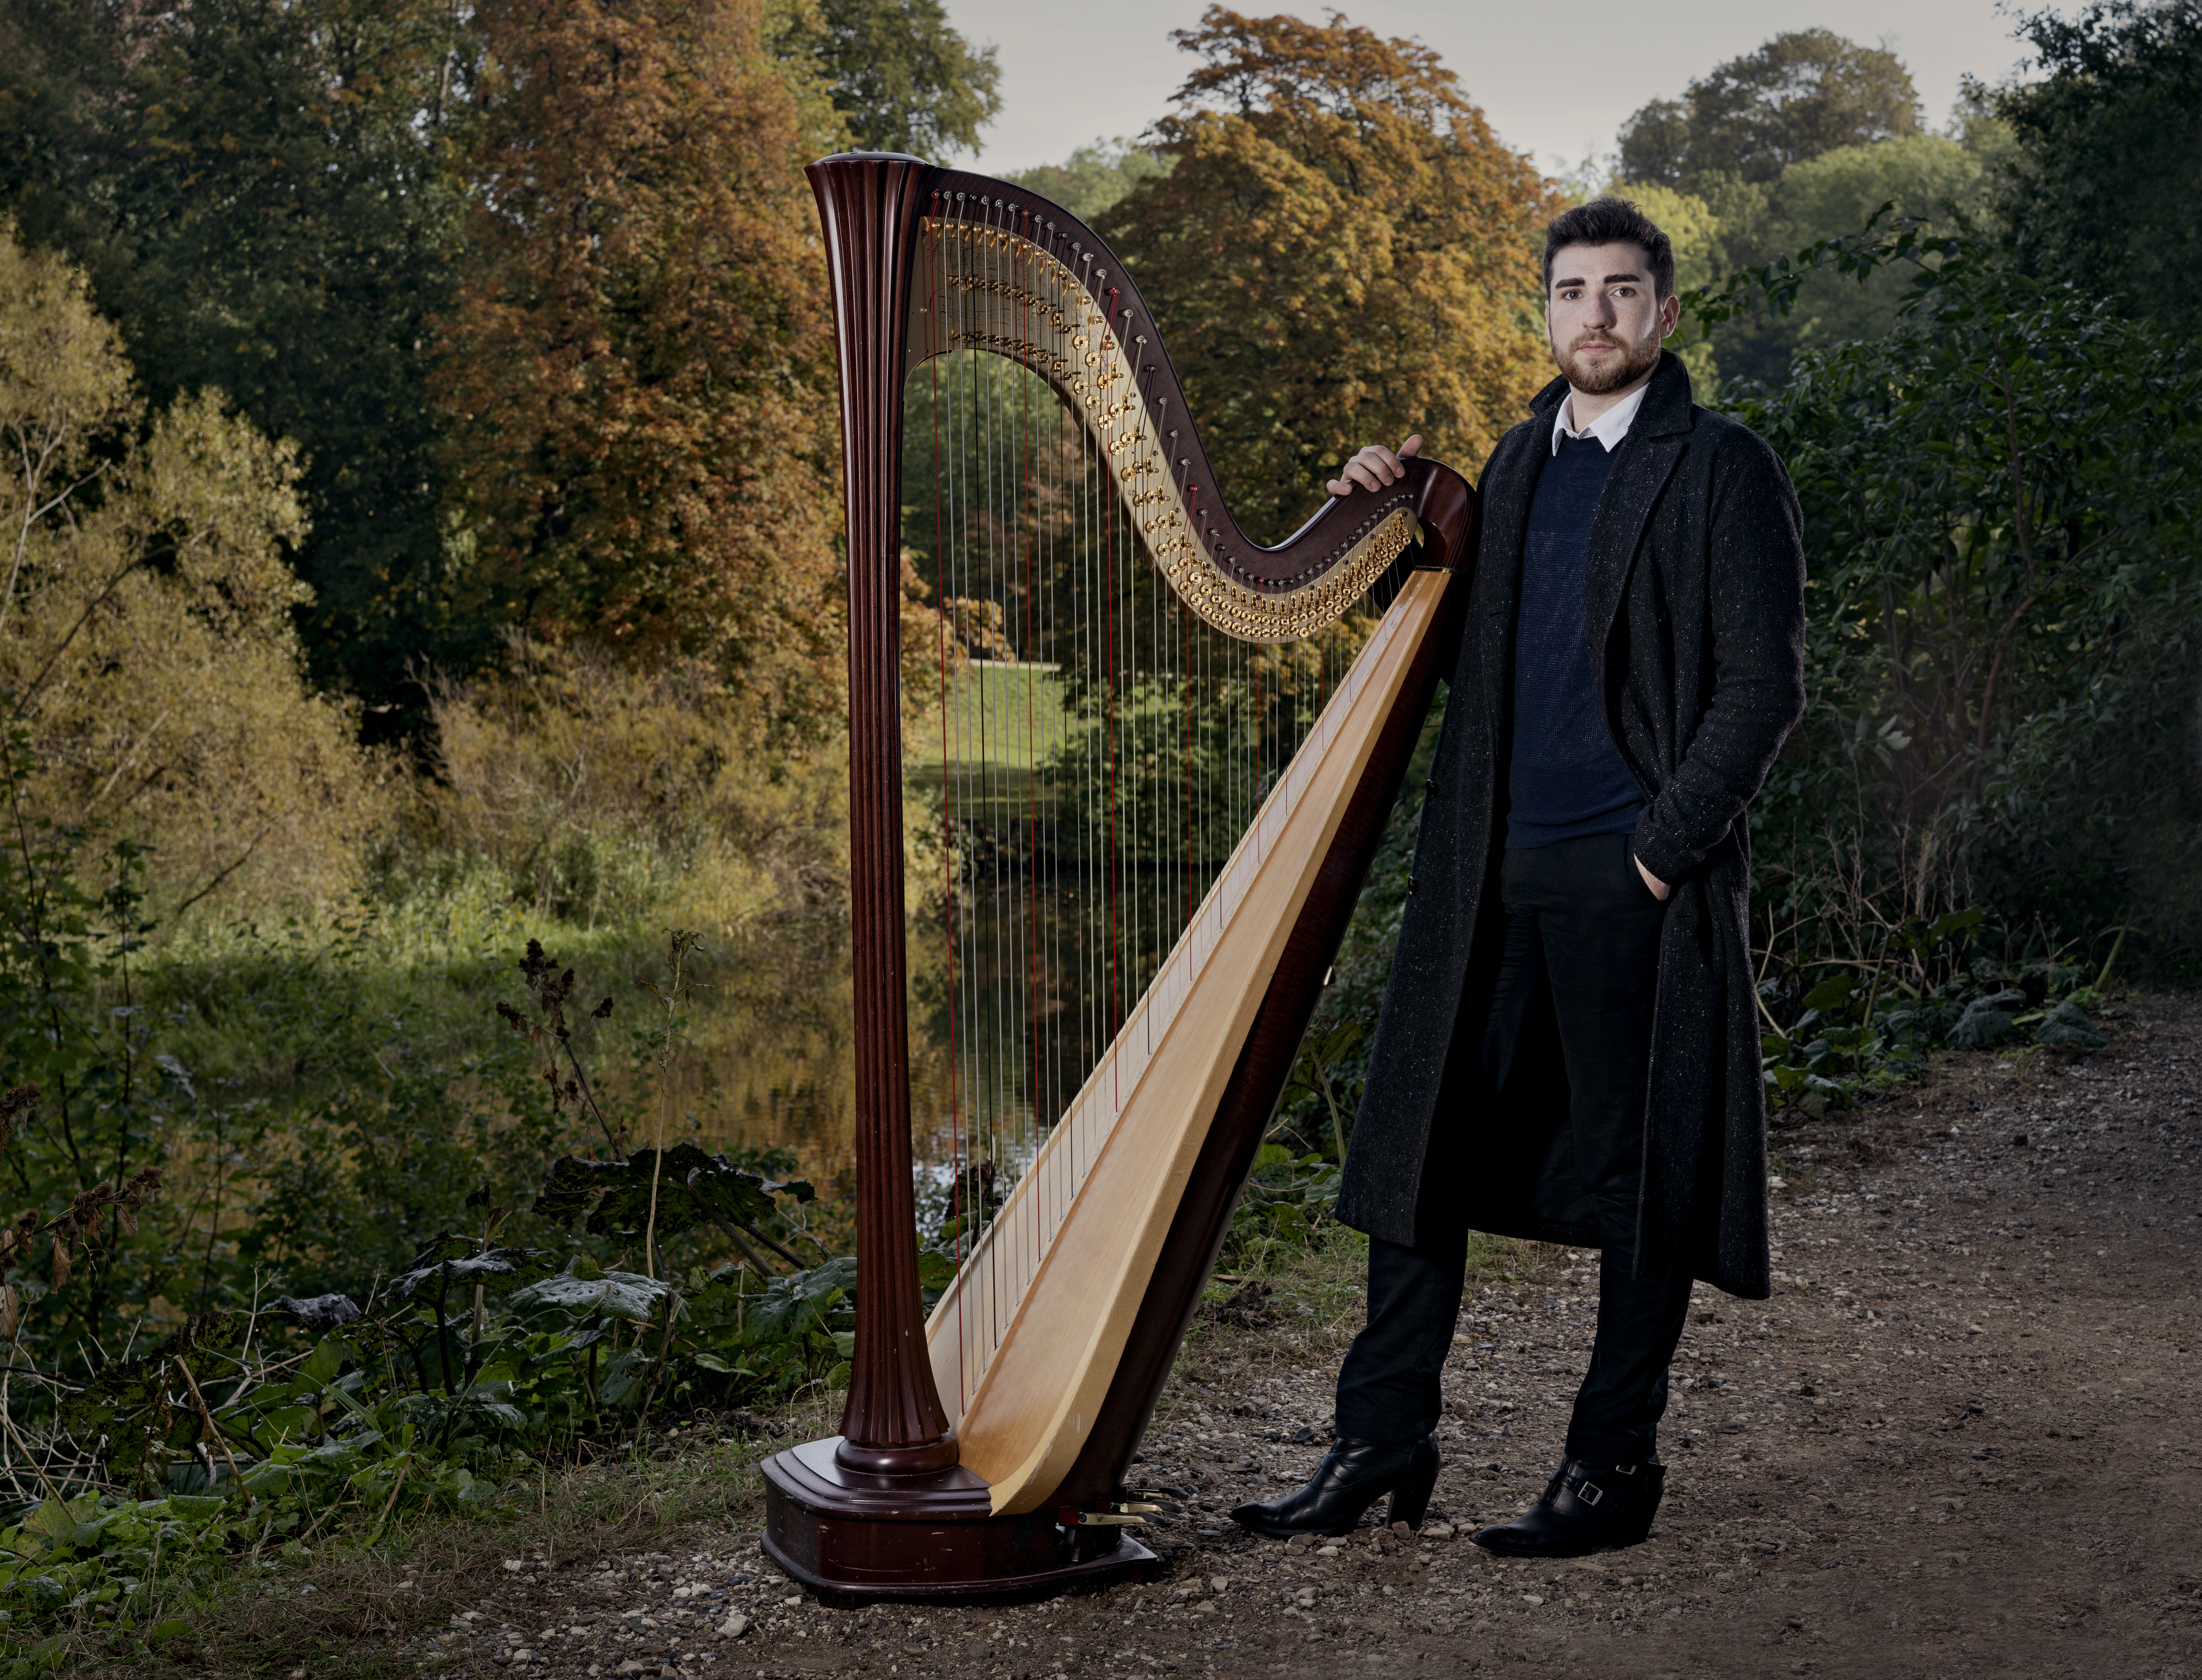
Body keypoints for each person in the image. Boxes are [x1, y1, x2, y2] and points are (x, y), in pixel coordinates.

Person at [1230, 196, 1807, 1559]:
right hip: (1486, 870)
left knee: (1634, 1175)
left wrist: (1662, 852)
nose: (1593, 315)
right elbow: (1454, 644)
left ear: (1662, 315)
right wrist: (1368, 515)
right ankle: (1379, 1439)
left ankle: (1611, 1467)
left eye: (1619, 292)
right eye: (1569, 292)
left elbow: (1762, 686)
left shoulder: (1720, 466)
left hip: (1629, 878)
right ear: (1543, 315)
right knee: (1418, 1147)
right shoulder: (1513, 462)